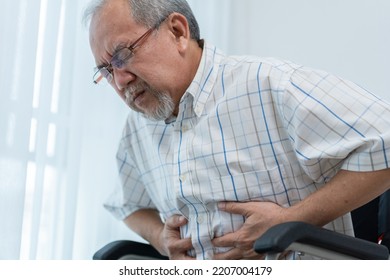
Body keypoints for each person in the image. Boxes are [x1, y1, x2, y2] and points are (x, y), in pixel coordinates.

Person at [83, 0, 390, 260]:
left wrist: (291, 220)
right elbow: (127, 203)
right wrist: (159, 237)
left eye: (122, 55)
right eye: (106, 71)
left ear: (177, 31)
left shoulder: (271, 84)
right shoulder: (137, 127)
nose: (120, 80)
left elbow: (385, 141)